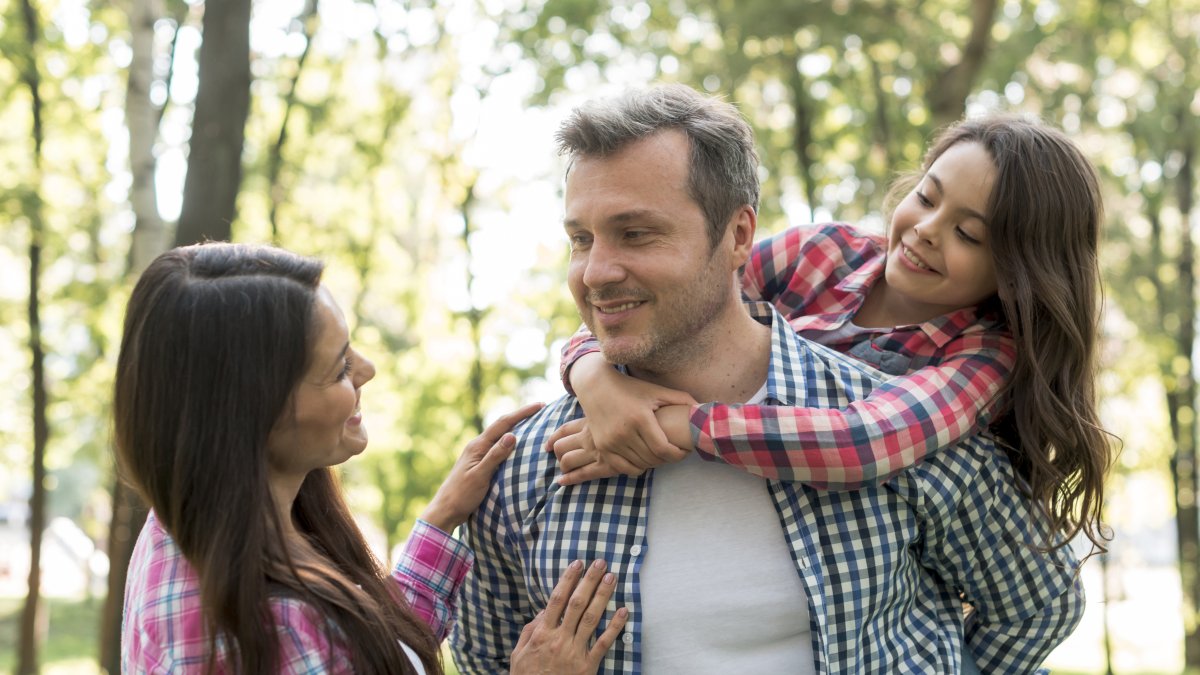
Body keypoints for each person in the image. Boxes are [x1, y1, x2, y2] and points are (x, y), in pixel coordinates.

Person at [452, 83, 1085, 674]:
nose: (596, 272)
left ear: (736, 234)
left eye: (636, 234)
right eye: (581, 239)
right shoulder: (525, 467)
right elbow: (482, 657)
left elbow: (1035, 604)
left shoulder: (940, 409)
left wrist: (684, 424)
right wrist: (590, 370)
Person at [549, 113, 1111, 557]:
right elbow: (671, 297)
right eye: (927, 196)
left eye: (968, 233)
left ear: (1019, 270)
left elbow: (862, 441)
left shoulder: (986, 357)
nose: (925, 230)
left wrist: (673, 424)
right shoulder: (823, 252)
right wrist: (595, 378)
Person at [116, 243, 627, 674]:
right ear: (255, 410)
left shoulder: (182, 528)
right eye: (338, 367)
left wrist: (440, 520)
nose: (367, 369)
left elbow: (361, 655)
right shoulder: (271, 628)